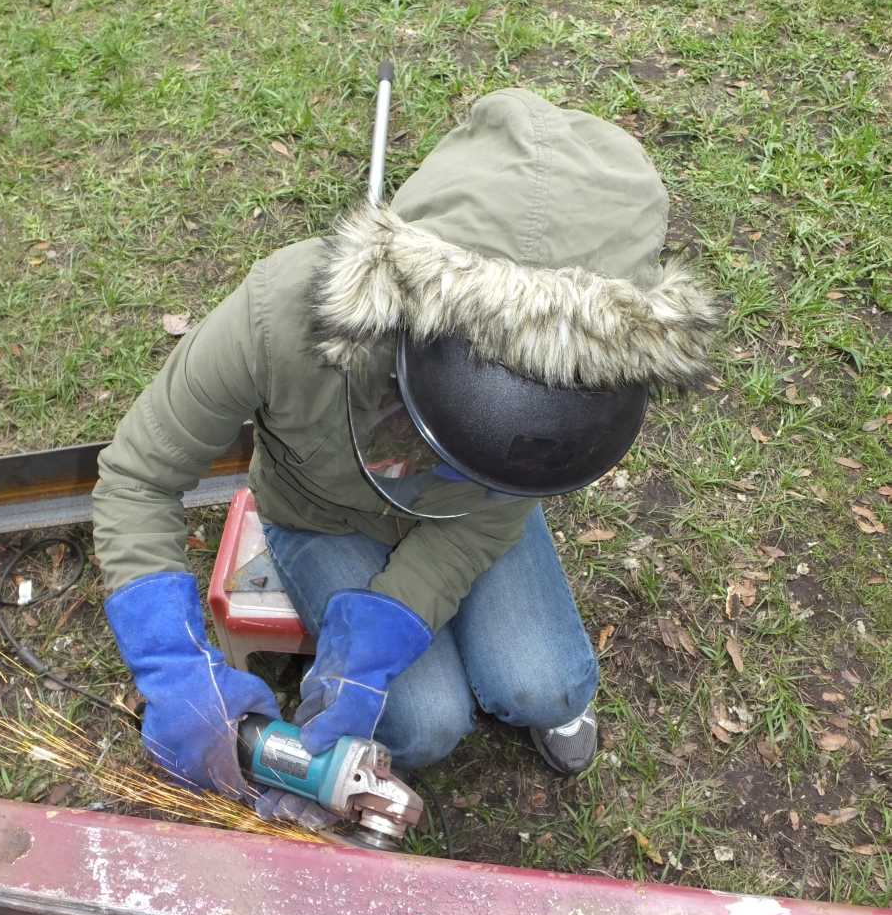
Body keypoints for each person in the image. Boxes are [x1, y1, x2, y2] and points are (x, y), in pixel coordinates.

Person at [92, 87, 719, 818]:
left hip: (467, 523)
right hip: (323, 518)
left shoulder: (575, 377)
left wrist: (392, 618)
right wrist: (171, 667)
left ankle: (549, 701)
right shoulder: (281, 313)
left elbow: (496, 510)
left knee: (544, 684)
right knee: (425, 724)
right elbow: (138, 477)